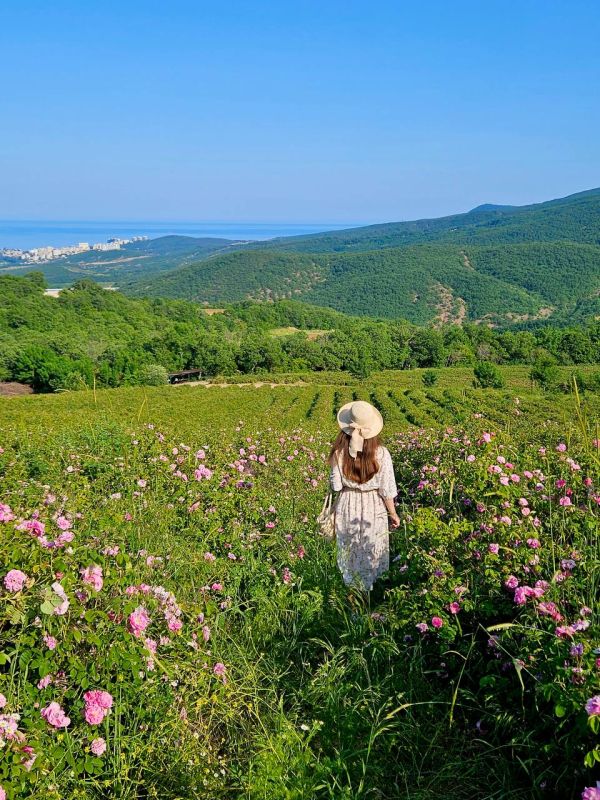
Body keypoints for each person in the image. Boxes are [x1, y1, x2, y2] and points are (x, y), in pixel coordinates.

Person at [329, 400, 399, 592]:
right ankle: (369, 597)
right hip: (373, 506)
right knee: (371, 547)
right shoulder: (382, 453)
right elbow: (387, 489)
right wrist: (392, 513)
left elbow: (335, 486)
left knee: (350, 552)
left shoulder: (338, 453)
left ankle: (352, 598)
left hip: (347, 504)